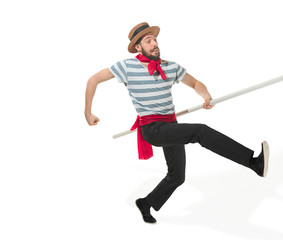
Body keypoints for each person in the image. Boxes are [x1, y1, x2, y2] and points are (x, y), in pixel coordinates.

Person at [84, 22, 269, 224]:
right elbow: (93, 80)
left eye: (155, 40)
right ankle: (252, 162)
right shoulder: (126, 67)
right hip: (153, 129)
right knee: (200, 132)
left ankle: (146, 203)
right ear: (138, 47)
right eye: (149, 41)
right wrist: (88, 112)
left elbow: (195, 83)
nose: (155, 44)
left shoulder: (169, 66)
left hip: (171, 125)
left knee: (177, 176)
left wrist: (205, 95)